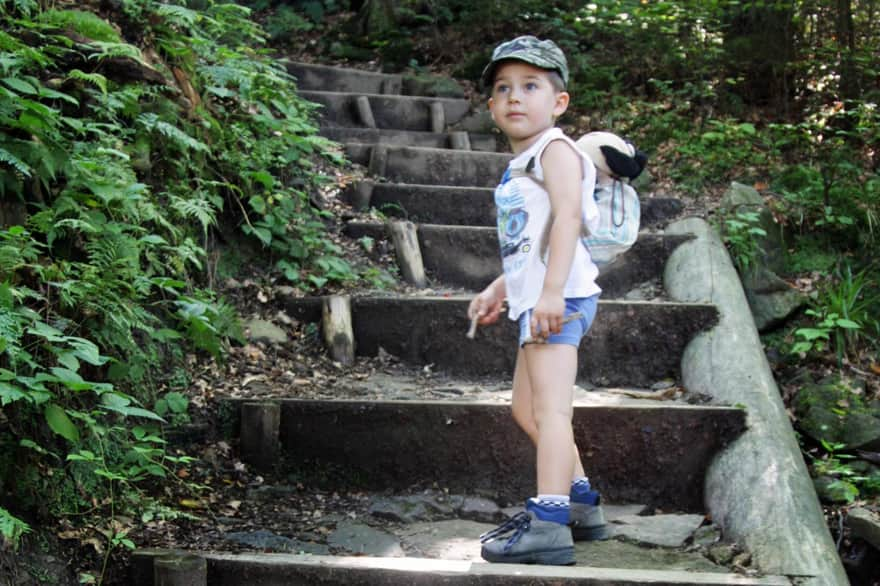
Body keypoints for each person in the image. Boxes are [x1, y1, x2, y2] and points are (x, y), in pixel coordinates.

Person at [467, 36, 607, 566]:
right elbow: (533, 244)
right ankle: (582, 505)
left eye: (530, 86)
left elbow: (569, 217)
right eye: (503, 89)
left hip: (562, 298)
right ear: (491, 107)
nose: (514, 97)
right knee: (525, 410)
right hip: (539, 298)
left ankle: (549, 524)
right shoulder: (520, 164)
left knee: (550, 411)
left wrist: (549, 293)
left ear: (559, 102)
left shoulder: (556, 151)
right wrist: (499, 288)